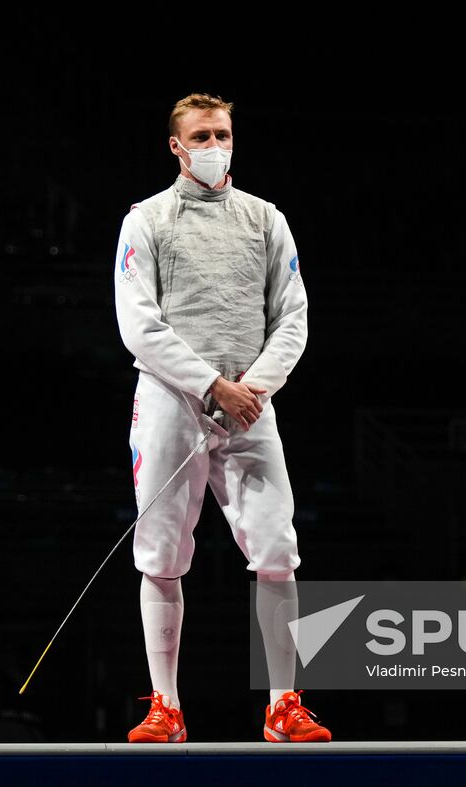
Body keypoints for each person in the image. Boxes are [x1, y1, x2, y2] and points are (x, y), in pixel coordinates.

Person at [113, 93, 329, 743]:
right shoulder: (145, 219)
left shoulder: (266, 220)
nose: (215, 144)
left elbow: (293, 316)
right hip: (170, 404)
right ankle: (165, 705)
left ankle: (284, 702)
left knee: (277, 552)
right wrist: (210, 384)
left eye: (223, 133)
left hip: (249, 409)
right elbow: (137, 322)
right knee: (161, 557)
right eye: (201, 135)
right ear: (176, 146)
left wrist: (250, 388)